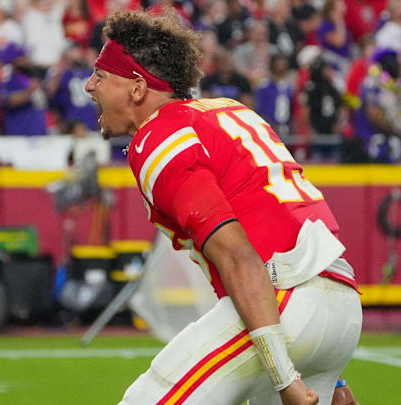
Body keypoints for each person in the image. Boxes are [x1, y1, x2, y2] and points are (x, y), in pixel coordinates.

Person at [85, 10, 361, 405]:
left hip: (283, 296)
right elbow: (277, 221)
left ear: (137, 88)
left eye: (101, 75)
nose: (89, 86)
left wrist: (286, 379)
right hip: (337, 300)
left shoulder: (159, 136)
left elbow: (236, 253)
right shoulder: (226, 109)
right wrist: (328, 370)